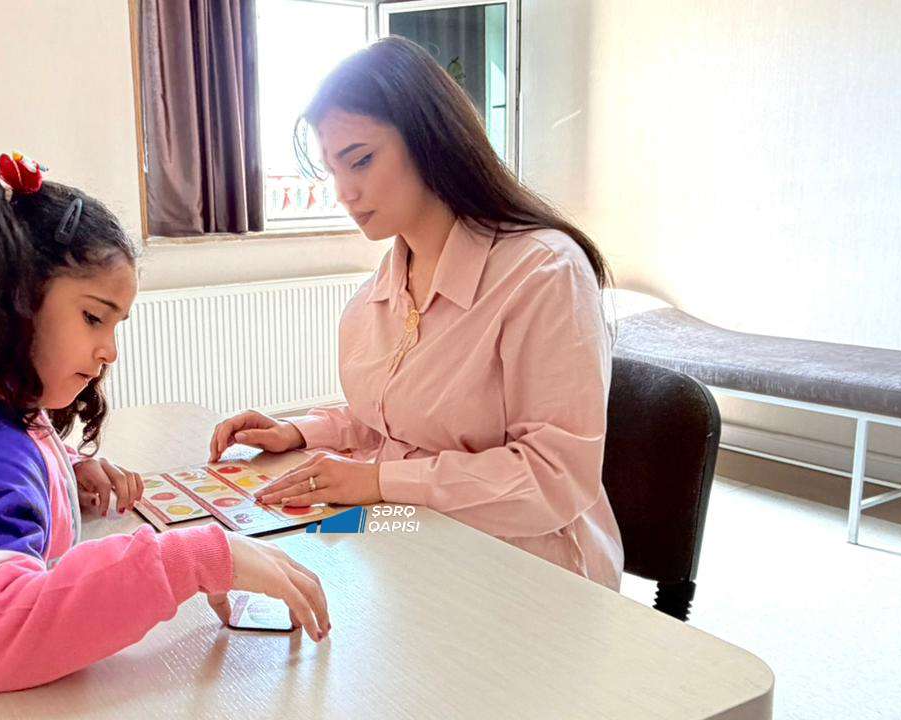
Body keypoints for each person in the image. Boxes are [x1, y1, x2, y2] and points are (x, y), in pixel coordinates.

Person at [0, 153, 329, 716]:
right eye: (94, 318)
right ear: (9, 306)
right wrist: (189, 560)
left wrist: (66, 468)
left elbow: (7, 473)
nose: (110, 352)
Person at [209, 37, 624, 589]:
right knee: (272, 559)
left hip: (532, 569)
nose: (345, 192)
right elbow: (399, 417)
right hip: (420, 539)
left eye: (361, 160)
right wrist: (298, 432)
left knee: (314, 583)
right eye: (333, 170)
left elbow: (553, 479)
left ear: (431, 140)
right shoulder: (382, 287)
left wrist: (380, 481)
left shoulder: (543, 273)